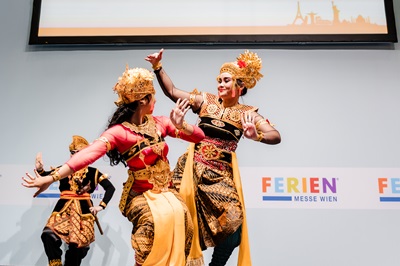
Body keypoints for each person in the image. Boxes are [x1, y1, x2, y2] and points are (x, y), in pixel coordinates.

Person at [22, 66, 205, 266]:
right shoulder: (119, 133)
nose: (156, 100)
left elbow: (199, 137)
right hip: (141, 195)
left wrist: (181, 125)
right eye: (153, 96)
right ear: (143, 100)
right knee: (152, 224)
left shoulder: (160, 123)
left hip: (167, 193)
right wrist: (50, 178)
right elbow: (85, 156)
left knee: (184, 220)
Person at [145, 49, 281, 266]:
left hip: (219, 176)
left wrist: (257, 135)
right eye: (219, 80)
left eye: (226, 80)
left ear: (240, 85)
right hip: (190, 169)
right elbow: (171, 91)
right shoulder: (206, 101)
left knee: (234, 226)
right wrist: (157, 67)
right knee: (180, 221)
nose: (220, 83)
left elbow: (276, 136)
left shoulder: (247, 113)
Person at [35, 135, 116, 266]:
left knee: (77, 248)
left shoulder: (93, 172)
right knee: (48, 234)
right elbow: (47, 176)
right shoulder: (64, 170)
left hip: (83, 213)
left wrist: (100, 206)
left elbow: (110, 188)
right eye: (72, 153)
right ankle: (55, 263)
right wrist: (40, 169)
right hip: (63, 210)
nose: (73, 155)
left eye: (77, 153)